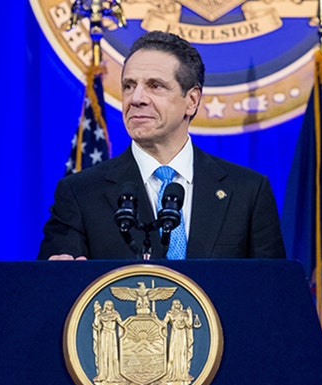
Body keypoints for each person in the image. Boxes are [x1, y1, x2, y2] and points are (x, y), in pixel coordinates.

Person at [38, 31, 286, 260]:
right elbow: (53, 294)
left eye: (155, 86)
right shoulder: (80, 194)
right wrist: (58, 281)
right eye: (129, 86)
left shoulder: (247, 192)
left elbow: (273, 297)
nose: (136, 99)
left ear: (191, 100)